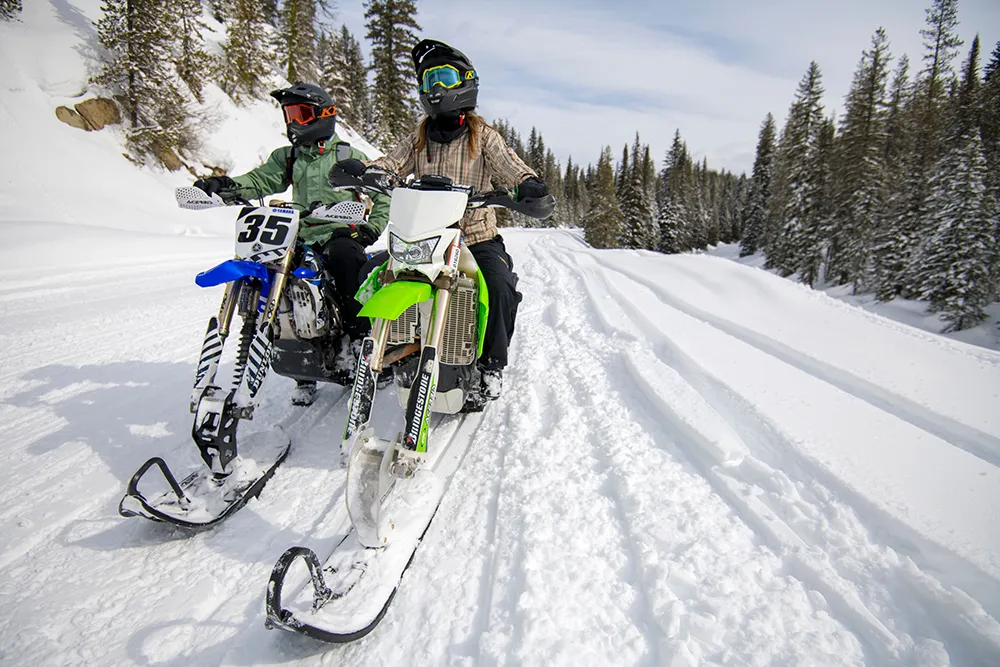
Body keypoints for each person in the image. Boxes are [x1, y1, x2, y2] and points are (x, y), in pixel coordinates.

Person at [329, 40, 552, 401]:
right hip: (423, 241)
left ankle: (491, 366)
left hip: (474, 239)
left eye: (443, 77)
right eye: (428, 80)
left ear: (465, 82)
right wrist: (366, 171)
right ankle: (383, 347)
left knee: (498, 287)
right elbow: (391, 163)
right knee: (369, 274)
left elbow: (512, 168)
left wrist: (528, 185)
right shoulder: (418, 138)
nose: (434, 88)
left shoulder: (484, 137)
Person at [193, 82, 390, 406]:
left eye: (300, 113)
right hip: (296, 234)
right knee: (283, 285)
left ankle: (358, 340)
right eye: (289, 114)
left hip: (339, 232)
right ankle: (301, 366)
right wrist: (225, 185)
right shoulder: (288, 157)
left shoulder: (348, 155)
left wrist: (369, 229)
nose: (293, 122)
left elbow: (381, 193)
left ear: (323, 115)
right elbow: (259, 180)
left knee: (346, 262)